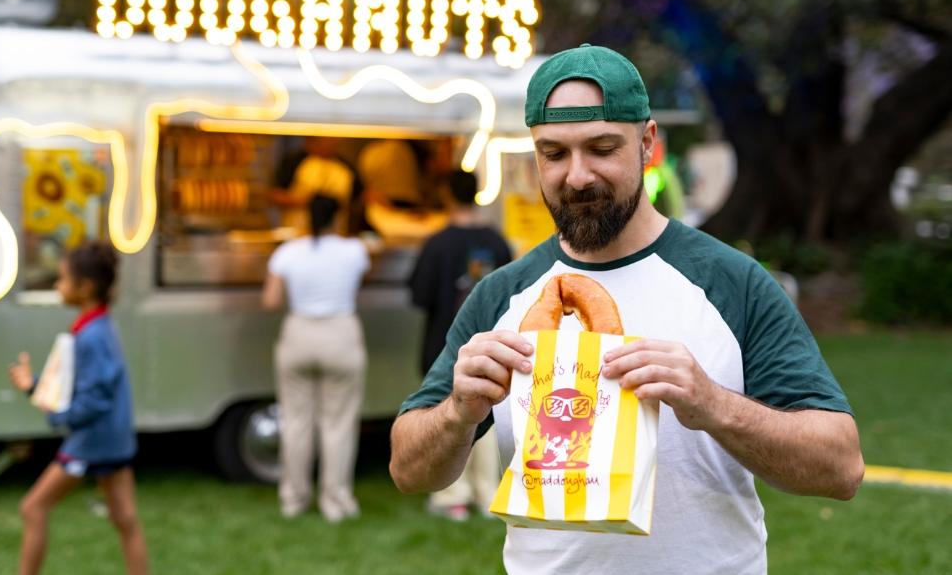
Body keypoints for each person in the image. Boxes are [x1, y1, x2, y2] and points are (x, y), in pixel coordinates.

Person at [389, 45, 863, 574]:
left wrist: (712, 404)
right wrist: (458, 411)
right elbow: (409, 470)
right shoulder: (503, 294)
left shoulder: (732, 283)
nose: (578, 176)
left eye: (601, 147)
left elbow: (840, 467)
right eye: (554, 153)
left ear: (647, 144)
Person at [8, 241, 147, 575]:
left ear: (84, 288)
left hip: (93, 443)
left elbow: (93, 399)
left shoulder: (92, 336)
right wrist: (34, 385)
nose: (57, 285)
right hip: (113, 439)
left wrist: (58, 416)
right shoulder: (97, 326)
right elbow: (78, 384)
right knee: (125, 519)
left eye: (63, 279)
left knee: (33, 508)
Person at [409, 169, 512, 521]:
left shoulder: (437, 243)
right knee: (486, 418)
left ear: (447, 196)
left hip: (443, 346)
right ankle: (488, 494)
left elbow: (419, 294)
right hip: (494, 347)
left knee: (448, 419)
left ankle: (452, 496)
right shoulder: (497, 241)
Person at [262, 194, 371, 522]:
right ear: (337, 217)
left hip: (299, 332)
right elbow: (361, 281)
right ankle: (335, 501)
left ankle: (293, 499)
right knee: (337, 423)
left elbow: (270, 300)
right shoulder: (354, 251)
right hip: (340, 333)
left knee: (296, 422)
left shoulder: (288, 253)